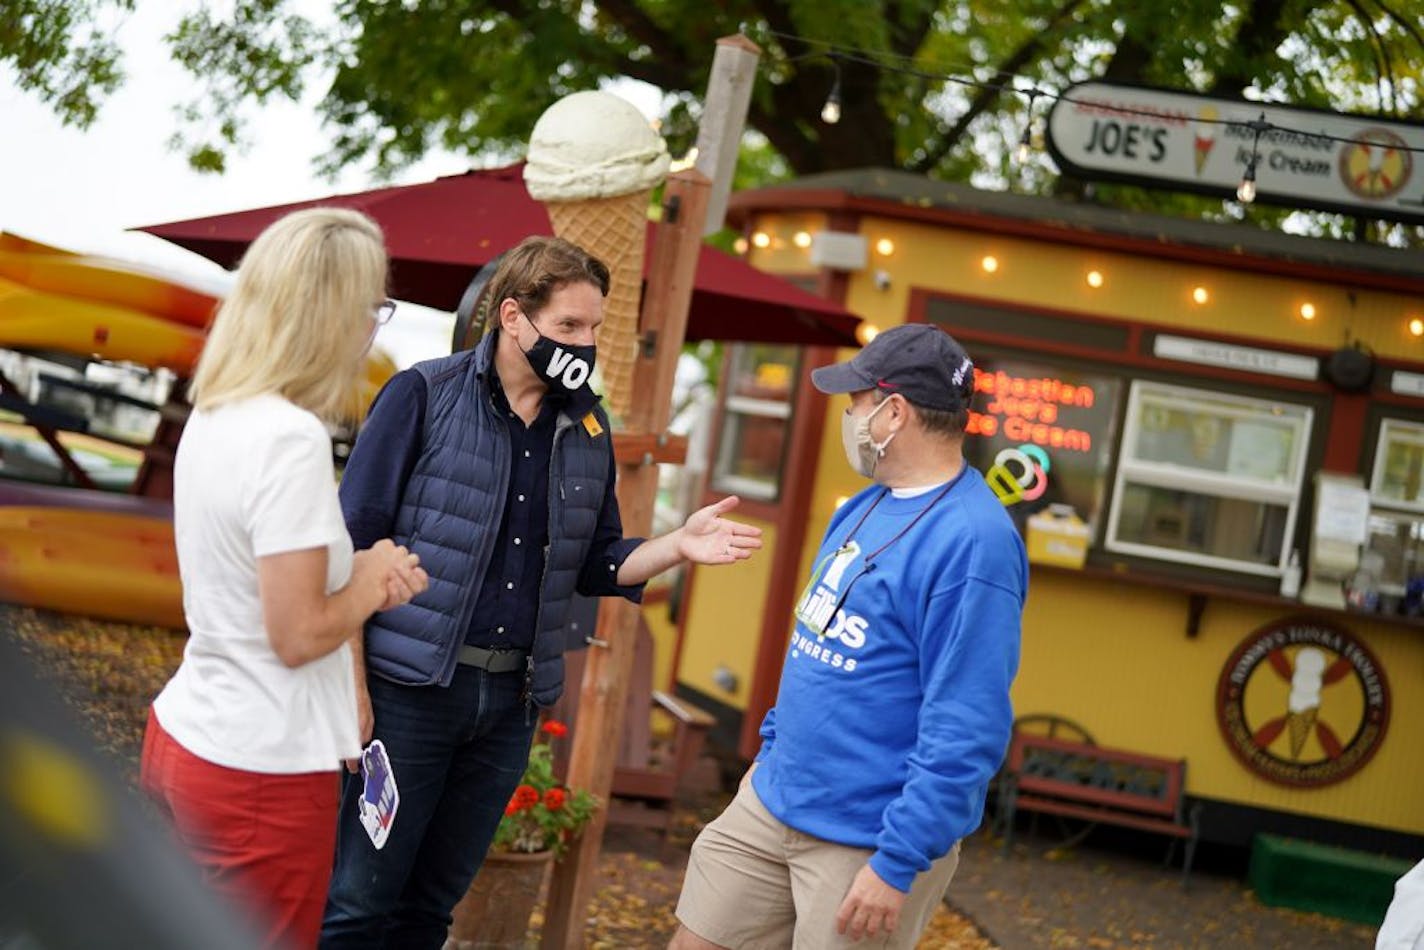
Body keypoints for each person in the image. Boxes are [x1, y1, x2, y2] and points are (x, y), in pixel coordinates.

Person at [321, 235, 762, 948]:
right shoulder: (422, 394)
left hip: (508, 708)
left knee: (431, 911)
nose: (585, 345)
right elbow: (349, 542)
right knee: (358, 905)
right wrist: (351, 686)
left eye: (594, 329)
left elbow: (599, 563)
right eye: (569, 328)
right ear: (514, 318)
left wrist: (677, 546)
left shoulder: (587, 425)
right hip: (408, 693)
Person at [670, 323, 1027, 949]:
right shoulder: (862, 504)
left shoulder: (976, 544)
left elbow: (967, 725)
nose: (848, 413)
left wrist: (897, 862)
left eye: (856, 401)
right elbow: (818, 642)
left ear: (893, 413)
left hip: (867, 840)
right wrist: (770, 753)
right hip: (772, 798)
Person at [141, 207, 430, 950]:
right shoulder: (289, 438)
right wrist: (372, 576)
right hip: (259, 769)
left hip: (189, 733)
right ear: (332, 314)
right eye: (373, 306)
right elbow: (298, 633)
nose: (376, 326)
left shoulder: (219, 411)